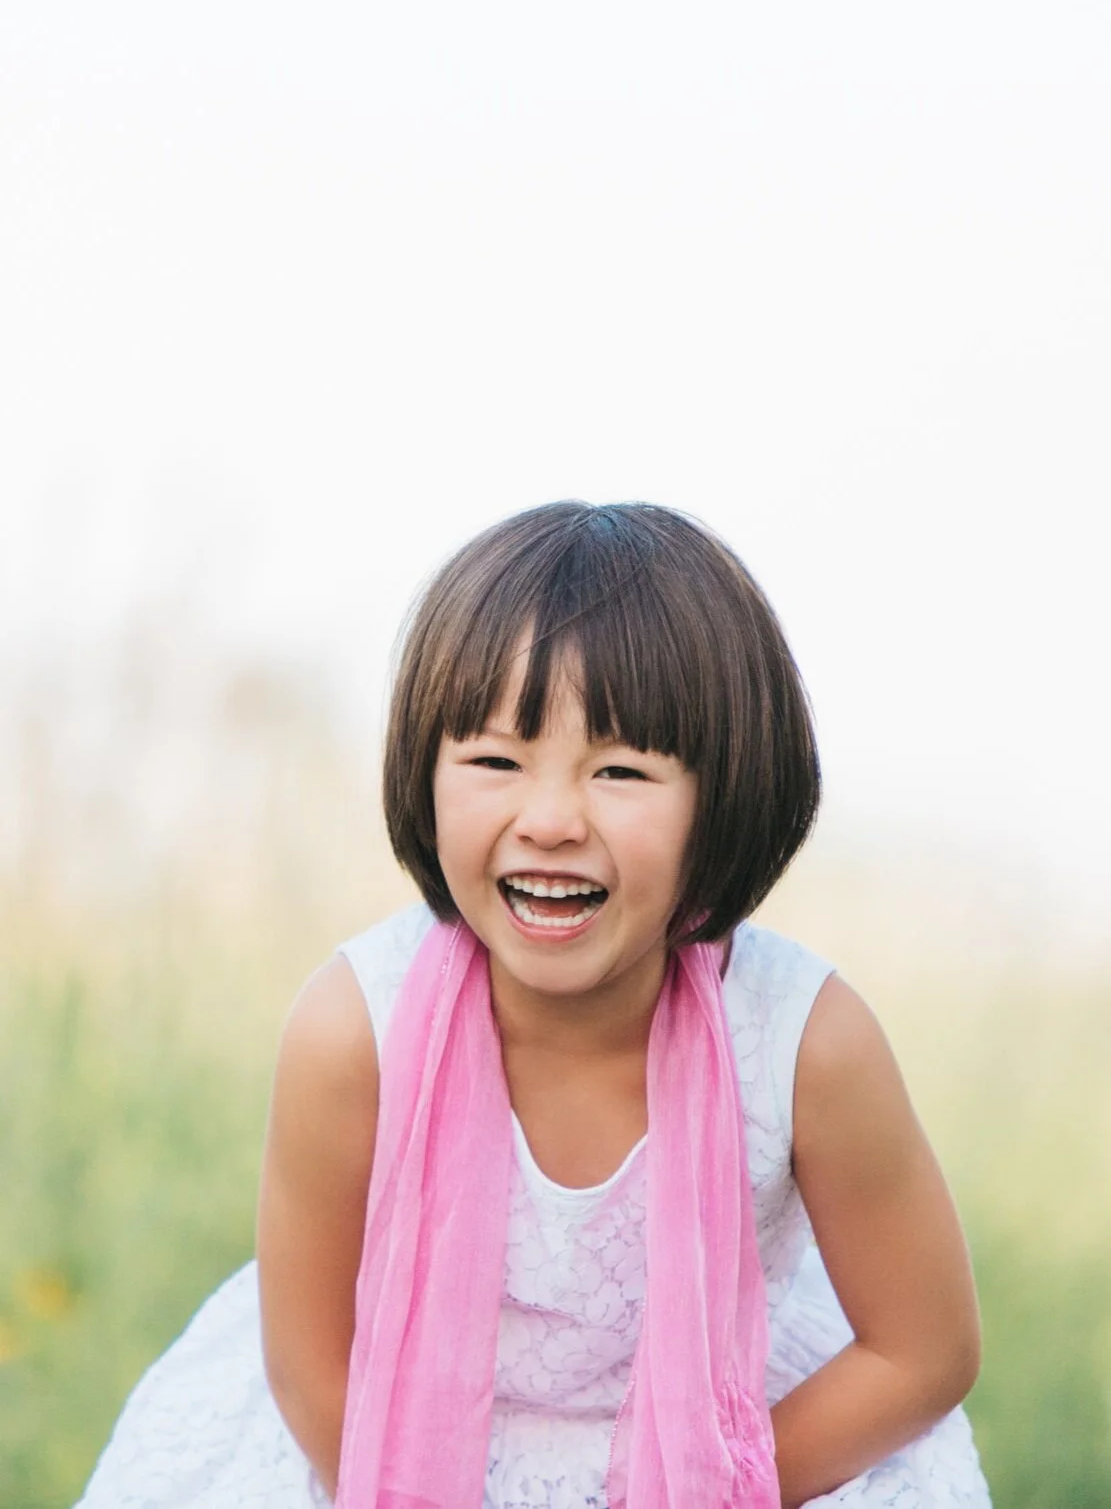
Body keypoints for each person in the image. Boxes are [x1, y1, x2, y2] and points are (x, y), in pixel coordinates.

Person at [76, 501, 992, 1508]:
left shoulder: (805, 1040)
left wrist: (701, 1486)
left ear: (725, 796)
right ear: (423, 776)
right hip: (387, 1431)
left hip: (730, 1433)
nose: (550, 819)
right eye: (494, 760)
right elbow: (310, 1365)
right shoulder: (352, 1030)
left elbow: (922, 1347)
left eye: (620, 769)